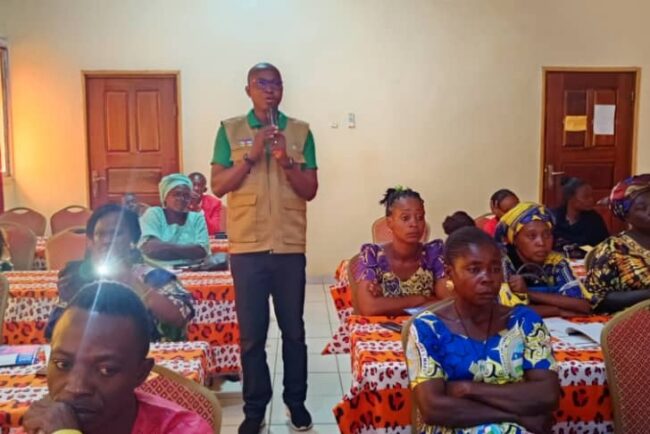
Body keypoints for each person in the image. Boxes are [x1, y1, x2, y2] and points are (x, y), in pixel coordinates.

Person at [210, 62, 318, 433]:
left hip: (289, 248)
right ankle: (254, 409)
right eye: (261, 83)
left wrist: (286, 162)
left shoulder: (300, 131)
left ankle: (296, 402)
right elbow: (218, 186)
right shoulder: (229, 130)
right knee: (252, 336)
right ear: (248, 90)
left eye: (276, 83)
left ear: (282, 89)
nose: (270, 90)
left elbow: (310, 190)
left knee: (294, 332)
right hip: (247, 248)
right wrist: (252, 155)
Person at [405, 227, 559, 434]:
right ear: (450, 273)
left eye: (495, 269)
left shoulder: (524, 322)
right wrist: (515, 416)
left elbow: (547, 395)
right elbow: (434, 408)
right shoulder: (428, 327)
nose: (488, 278)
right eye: (474, 269)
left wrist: (467, 389)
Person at [23, 282, 213, 434]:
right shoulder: (43, 423)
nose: (77, 387)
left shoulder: (182, 429)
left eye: (106, 370)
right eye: (63, 364)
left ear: (141, 373)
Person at [45, 204, 195, 342]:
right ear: (91, 242)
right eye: (100, 234)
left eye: (116, 234)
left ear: (133, 241)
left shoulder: (155, 277)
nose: (107, 241)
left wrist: (128, 279)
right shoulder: (80, 278)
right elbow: (53, 334)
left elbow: (180, 318)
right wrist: (68, 302)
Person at [352, 187, 446, 316]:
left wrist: (387, 303)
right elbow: (369, 307)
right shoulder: (372, 256)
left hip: (424, 328)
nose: (414, 223)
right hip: (380, 329)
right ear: (389, 222)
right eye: (405, 218)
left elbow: (447, 303)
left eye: (420, 217)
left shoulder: (433, 254)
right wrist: (421, 300)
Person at [495, 202, 593, 317]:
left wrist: (528, 293)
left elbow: (583, 306)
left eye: (547, 235)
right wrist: (558, 311)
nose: (541, 243)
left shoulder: (555, 261)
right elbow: (506, 310)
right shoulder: (502, 262)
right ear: (514, 240)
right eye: (532, 236)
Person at [586, 174, 650, 312]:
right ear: (625, 214)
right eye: (642, 207)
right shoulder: (613, 249)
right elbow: (597, 298)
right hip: (633, 320)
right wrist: (646, 295)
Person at [139, 174, 210, 268]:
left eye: (186, 195)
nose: (181, 199)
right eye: (176, 194)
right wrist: (189, 250)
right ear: (165, 197)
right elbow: (151, 248)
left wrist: (164, 247)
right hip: (157, 270)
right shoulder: (154, 214)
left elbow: (202, 251)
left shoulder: (196, 218)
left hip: (191, 270)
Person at [552, 177, 609, 255]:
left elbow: (604, 247)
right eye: (586, 197)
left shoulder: (594, 220)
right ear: (570, 198)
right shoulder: (554, 218)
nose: (591, 200)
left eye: (591, 196)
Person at [188, 171, 223, 236]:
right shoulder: (179, 201)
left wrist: (199, 210)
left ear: (205, 189)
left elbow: (214, 231)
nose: (196, 188)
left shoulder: (214, 203)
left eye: (199, 186)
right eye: (193, 185)